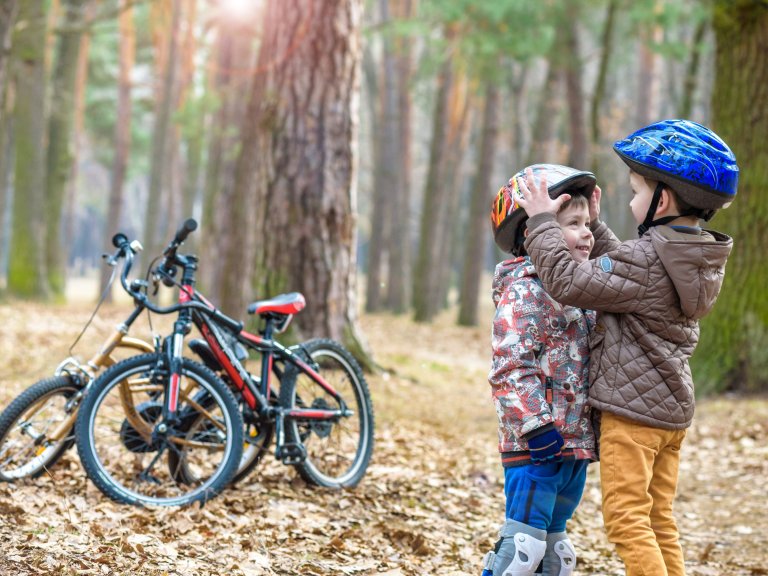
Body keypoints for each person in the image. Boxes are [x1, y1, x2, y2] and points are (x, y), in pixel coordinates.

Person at [515, 119, 738, 576]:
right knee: (658, 520)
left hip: (631, 418)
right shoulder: (692, 256)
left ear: (664, 199)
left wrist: (541, 222)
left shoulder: (645, 259)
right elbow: (627, 275)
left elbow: (568, 280)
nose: (631, 201)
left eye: (637, 191)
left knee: (627, 522)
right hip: (669, 416)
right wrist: (594, 225)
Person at [482, 164, 599, 576]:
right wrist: (534, 425)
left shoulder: (580, 288)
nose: (587, 232)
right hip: (537, 444)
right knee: (523, 549)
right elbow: (509, 368)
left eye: (588, 223)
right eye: (573, 223)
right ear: (532, 234)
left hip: (573, 446)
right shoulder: (525, 290)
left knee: (556, 552)